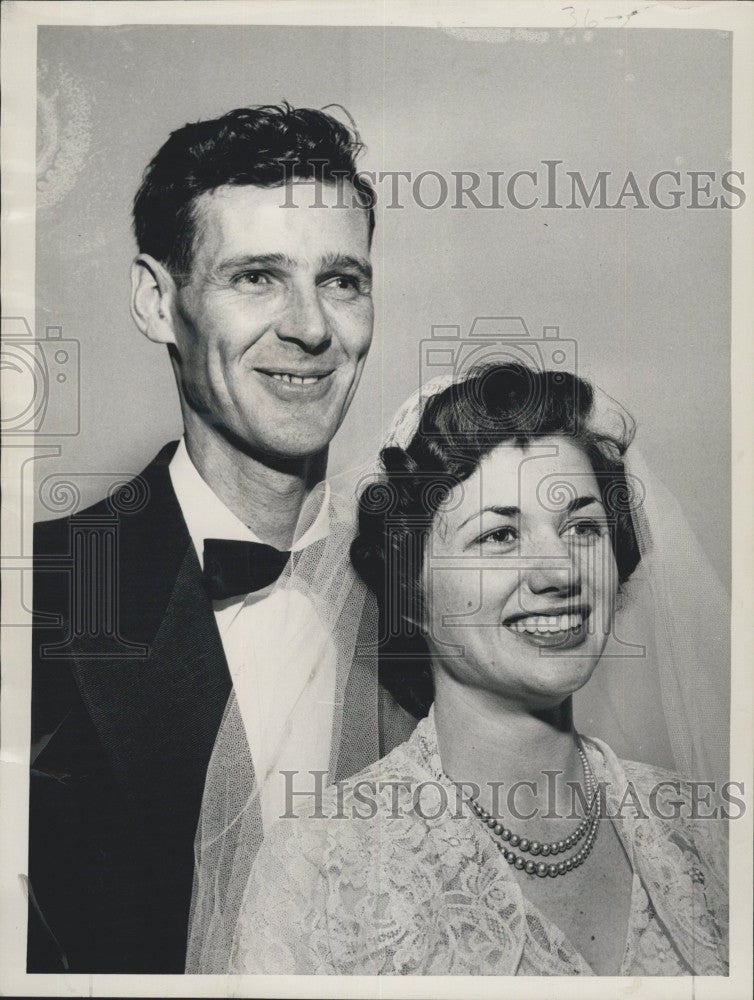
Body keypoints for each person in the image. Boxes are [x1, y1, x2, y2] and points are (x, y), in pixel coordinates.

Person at [27, 103, 416, 974]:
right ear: (157, 300)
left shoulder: (443, 599)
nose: (311, 328)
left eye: (342, 280)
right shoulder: (39, 593)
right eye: (257, 278)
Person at [190, 362, 729, 975]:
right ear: (411, 591)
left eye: (582, 526)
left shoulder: (708, 832)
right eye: (499, 536)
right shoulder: (322, 872)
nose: (560, 573)